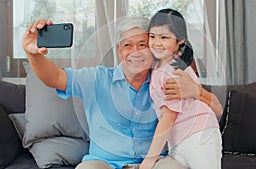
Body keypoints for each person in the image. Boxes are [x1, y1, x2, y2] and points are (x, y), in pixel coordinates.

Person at [22, 16, 222, 169]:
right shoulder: (97, 78)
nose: (135, 51)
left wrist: (197, 91)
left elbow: (216, 108)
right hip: (104, 163)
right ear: (119, 50)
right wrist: (33, 54)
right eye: (128, 45)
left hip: (154, 162)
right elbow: (54, 78)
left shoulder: (166, 79)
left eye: (142, 44)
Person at [139, 9, 222, 169]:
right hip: (178, 140)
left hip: (198, 135)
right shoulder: (158, 65)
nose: (156, 42)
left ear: (180, 40)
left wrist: (150, 159)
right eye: (153, 36)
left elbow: (168, 117)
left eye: (164, 37)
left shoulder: (174, 72)